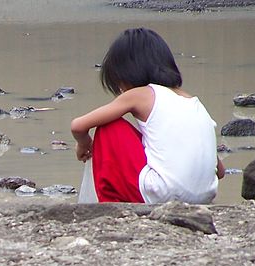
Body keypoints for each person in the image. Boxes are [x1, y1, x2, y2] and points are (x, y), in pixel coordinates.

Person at [71, 28, 224, 205]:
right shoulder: (195, 103)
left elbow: (78, 126)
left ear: (127, 73)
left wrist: (84, 144)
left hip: (163, 194)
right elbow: (220, 171)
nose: (120, 91)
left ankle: (108, 204)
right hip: (204, 197)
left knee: (108, 127)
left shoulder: (141, 94)